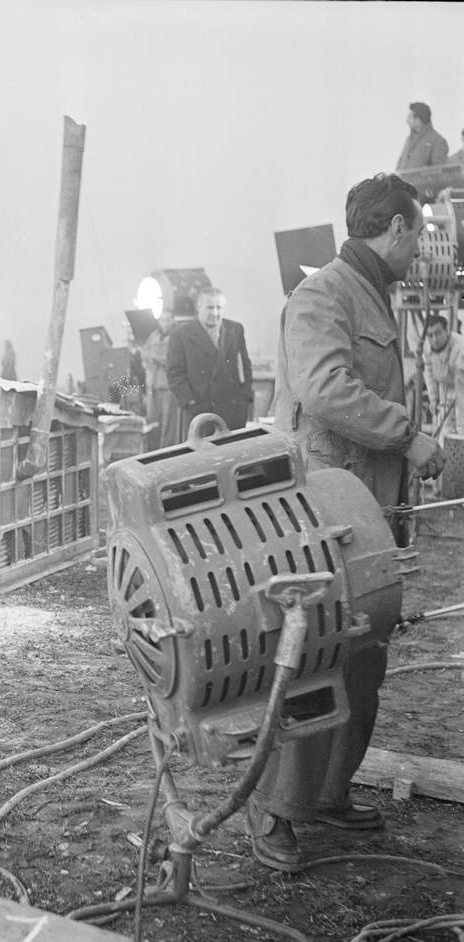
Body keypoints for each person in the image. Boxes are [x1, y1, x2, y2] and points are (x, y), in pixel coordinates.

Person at [252, 172, 446, 872]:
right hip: (323, 516)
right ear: (393, 228)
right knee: (314, 660)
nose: (419, 248)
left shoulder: (370, 295)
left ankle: (326, 795)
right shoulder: (321, 293)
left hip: (364, 516)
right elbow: (324, 389)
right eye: (416, 234)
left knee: (363, 660)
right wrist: (406, 435)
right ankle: (271, 809)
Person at [166, 287, 253, 439]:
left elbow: (246, 366)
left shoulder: (235, 329)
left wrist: (245, 398)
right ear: (198, 308)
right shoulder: (180, 334)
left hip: (233, 410)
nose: (215, 313)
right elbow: (175, 374)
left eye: (219, 307)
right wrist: (190, 402)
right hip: (201, 413)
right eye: (209, 307)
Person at [138, 309, 178, 448]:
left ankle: (167, 450)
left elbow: (175, 359)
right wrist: (147, 359)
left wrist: (157, 358)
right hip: (152, 383)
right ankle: (152, 449)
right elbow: (145, 354)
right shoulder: (153, 335)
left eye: (168, 319)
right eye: (162, 319)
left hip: (168, 385)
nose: (165, 323)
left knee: (168, 421)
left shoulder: (176, 336)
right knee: (152, 419)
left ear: (173, 320)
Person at [423, 313, 464, 436]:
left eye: (438, 333)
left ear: (447, 331)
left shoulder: (460, 346)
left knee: (461, 430)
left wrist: (461, 423)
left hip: (461, 387)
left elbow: (460, 383)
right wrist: (433, 398)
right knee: (445, 431)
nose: (434, 339)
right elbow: (429, 373)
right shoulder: (427, 348)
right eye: (430, 335)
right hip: (444, 388)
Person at [396, 102, 449, 170]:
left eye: (410, 117)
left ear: (418, 120)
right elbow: (399, 166)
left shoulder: (438, 141)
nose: (406, 120)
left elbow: (439, 174)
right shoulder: (409, 139)